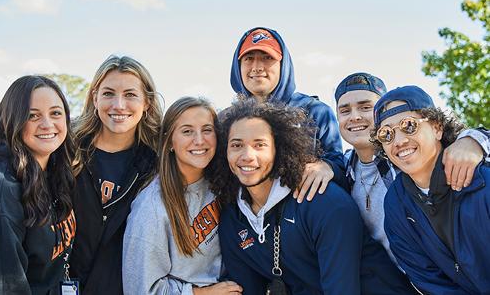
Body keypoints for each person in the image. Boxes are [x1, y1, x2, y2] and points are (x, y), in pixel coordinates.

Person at [211, 99, 411, 294]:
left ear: (278, 149)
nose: (247, 155)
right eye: (236, 145)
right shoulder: (232, 219)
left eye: (259, 145)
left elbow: (341, 289)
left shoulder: (325, 203)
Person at [335, 72, 489, 264]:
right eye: (345, 110)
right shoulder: (342, 169)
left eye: (365, 107)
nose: (355, 117)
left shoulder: (411, 159)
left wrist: (476, 139)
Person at [371, 85, 490, 294]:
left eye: (409, 126)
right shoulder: (395, 205)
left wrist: (478, 139)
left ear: (436, 127)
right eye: (386, 134)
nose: (398, 141)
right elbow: (429, 282)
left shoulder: (483, 179)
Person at [123, 97, 242, 294]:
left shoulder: (223, 183)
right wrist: (202, 293)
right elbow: (140, 289)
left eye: (207, 130)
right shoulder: (151, 207)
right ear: (170, 141)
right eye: (187, 131)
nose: (199, 140)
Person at [69, 55, 163, 294]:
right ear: (95, 98)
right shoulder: (67, 149)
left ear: (147, 103)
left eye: (130, 95)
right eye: (109, 93)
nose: (119, 105)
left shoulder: (159, 162)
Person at [230, 27, 346, 201]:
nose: (257, 67)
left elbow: (340, 164)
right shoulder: (227, 119)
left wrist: (328, 166)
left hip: (302, 217)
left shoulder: (315, 111)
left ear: (283, 64)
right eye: (249, 58)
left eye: (267, 58)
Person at [0, 76, 76, 294]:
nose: (47, 124)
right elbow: (5, 288)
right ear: (12, 119)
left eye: (55, 113)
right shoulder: (1, 190)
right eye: (32, 116)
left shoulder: (53, 169)